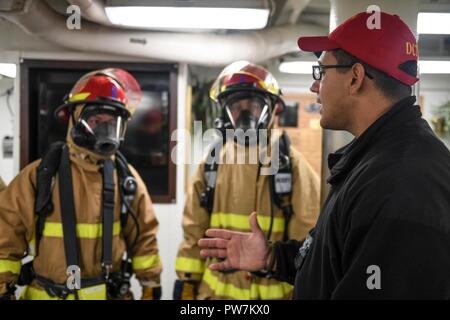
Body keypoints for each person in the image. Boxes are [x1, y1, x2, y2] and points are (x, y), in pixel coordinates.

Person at [199, 11, 450, 299]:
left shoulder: (402, 181)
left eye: (321, 72)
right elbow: (334, 261)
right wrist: (273, 258)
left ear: (355, 78)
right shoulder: (377, 160)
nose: (314, 87)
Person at [0, 68, 162, 300]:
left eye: (111, 123)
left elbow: (144, 237)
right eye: (96, 120)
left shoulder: (126, 179)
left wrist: (150, 283)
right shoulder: (41, 175)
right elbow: (5, 236)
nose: (104, 130)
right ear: (75, 119)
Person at [174, 61, 321, 300]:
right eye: (235, 106)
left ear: (273, 109)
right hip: (216, 293)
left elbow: (306, 240)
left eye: (253, 106)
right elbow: (194, 231)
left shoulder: (291, 165)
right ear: (225, 111)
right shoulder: (211, 163)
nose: (244, 115)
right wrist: (187, 282)